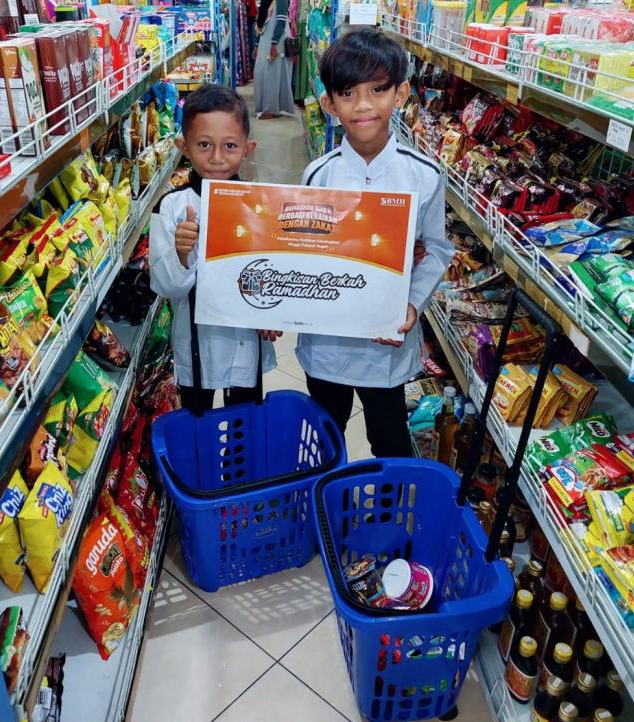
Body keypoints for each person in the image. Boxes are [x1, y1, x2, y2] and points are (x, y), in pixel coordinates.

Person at [298, 28, 454, 457]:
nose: (363, 105)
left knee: (388, 438)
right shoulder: (318, 175)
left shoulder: (423, 175)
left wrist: (411, 303)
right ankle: (325, 505)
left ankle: (388, 517)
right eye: (347, 93)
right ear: (329, 103)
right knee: (324, 437)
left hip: (386, 343)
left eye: (378, 90)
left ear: (401, 93)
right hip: (326, 342)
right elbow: (301, 250)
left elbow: (437, 249)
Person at [149, 85, 279, 415]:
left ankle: (237, 466)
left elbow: (272, 269)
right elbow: (166, 287)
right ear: (184, 147)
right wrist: (181, 252)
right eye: (204, 145)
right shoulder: (172, 206)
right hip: (196, 341)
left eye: (230, 146)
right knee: (198, 422)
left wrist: (272, 313)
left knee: (244, 424)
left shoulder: (261, 204)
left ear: (248, 148)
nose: (217, 158)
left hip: (245, 338)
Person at [253, 0, 294, 119]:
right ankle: (267, 107)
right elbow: (261, 23)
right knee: (262, 72)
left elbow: (281, 21)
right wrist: (256, 44)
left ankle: (271, 109)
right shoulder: (267, 2)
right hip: (265, 40)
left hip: (275, 41)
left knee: (272, 74)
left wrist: (274, 43)